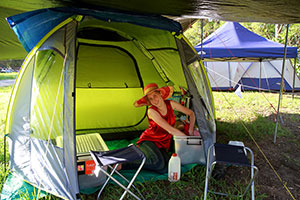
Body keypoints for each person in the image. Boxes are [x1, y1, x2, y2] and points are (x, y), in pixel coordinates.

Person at [123, 83, 196, 174]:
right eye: (150, 98)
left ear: (160, 94)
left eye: (155, 95)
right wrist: (189, 141)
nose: (154, 100)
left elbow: (191, 113)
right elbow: (171, 130)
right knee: (157, 164)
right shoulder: (151, 111)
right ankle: (123, 163)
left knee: (166, 168)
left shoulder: (171, 104)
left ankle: (142, 156)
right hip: (149, 140)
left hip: (162, 143)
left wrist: (190, 130)